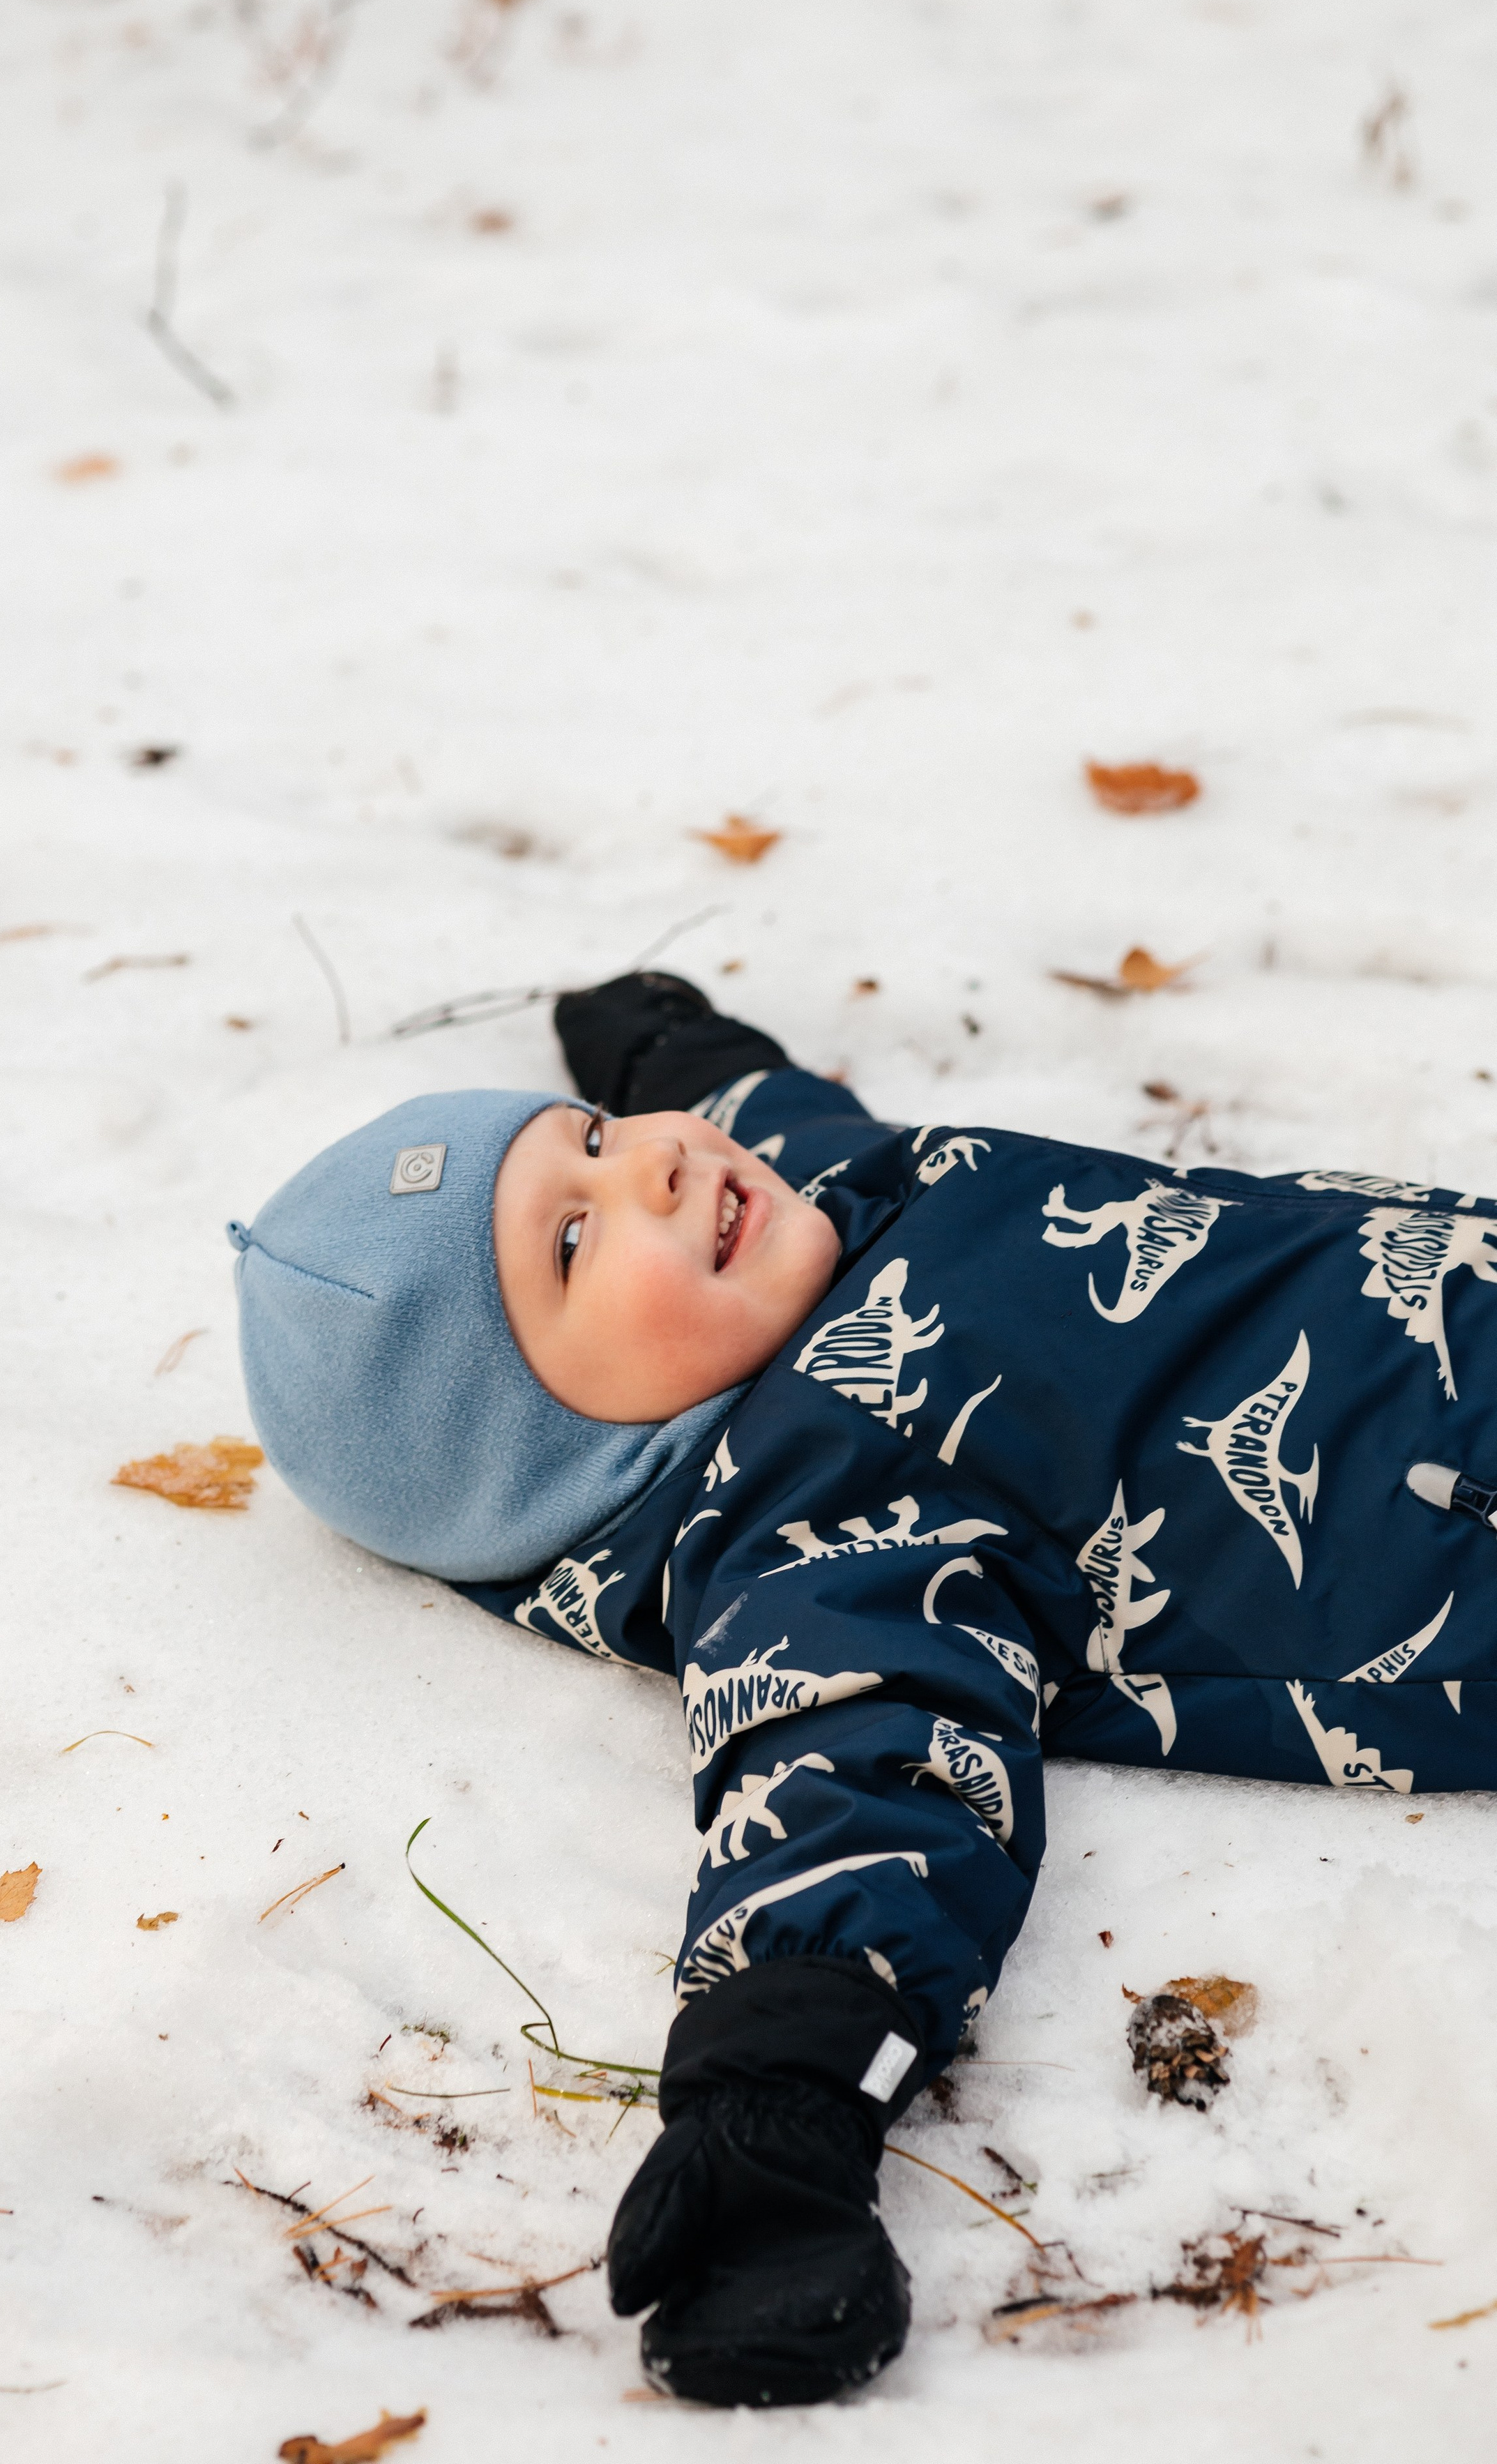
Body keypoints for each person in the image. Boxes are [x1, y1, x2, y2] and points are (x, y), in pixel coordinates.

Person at [227, 972, 1497, 2408]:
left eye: (588, 1133)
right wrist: (776, 2103)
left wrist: (672, 1051)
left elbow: (752, 1115)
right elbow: (855, 1772)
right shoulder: (812, 1524)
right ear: (550, 1449)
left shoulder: (812, 1195)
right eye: (574, 1240)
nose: (650, 1160)